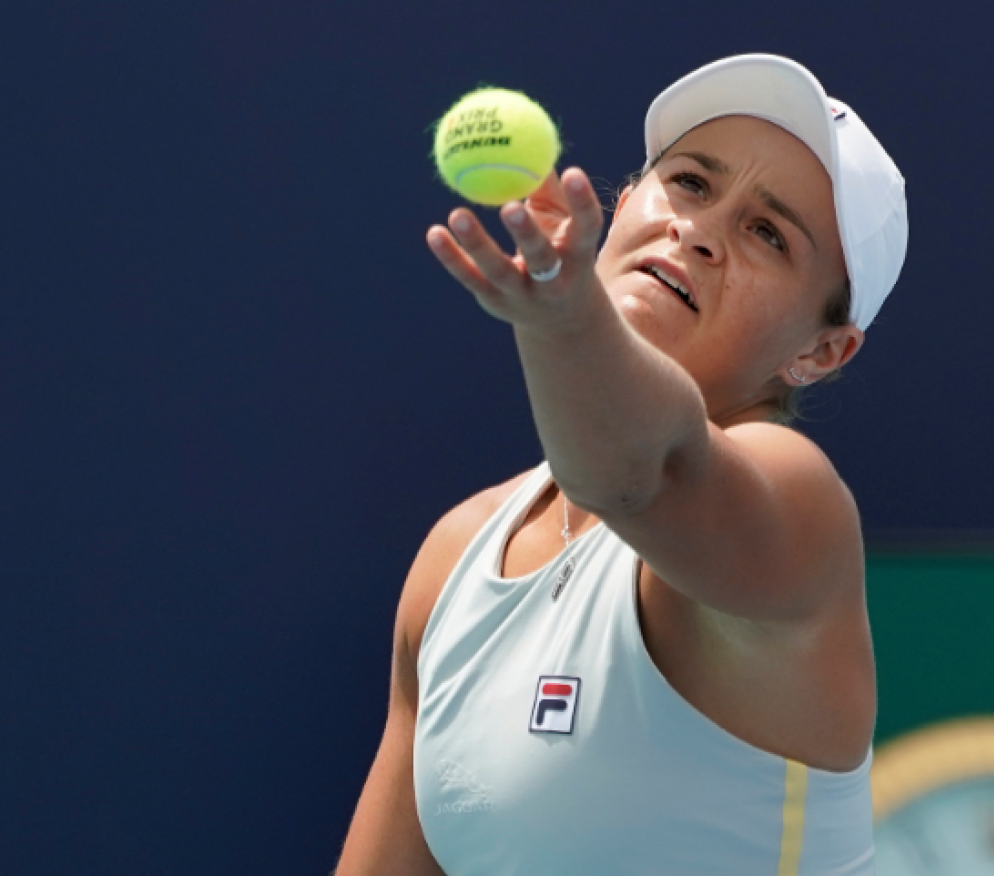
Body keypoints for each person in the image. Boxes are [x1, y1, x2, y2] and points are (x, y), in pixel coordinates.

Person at [336, 54, 908, 875]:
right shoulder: (457, 554)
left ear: (822, 351)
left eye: (768, 233)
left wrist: (566, 323)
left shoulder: (795, 499)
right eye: (690, 183)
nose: (701, 232)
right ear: (627, 197)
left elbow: (642, 475)